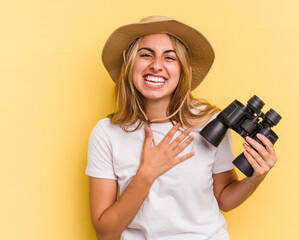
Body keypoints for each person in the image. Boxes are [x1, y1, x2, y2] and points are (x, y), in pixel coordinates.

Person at [86, 16, 278, 240]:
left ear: (182, 70)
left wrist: (256, 177)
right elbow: (105, 232)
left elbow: (224, 198)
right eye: (146, 54)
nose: (156, 65)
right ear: (130, 65)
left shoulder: (210, 122)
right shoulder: (107, 132)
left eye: (170, 57)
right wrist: (147, 173)